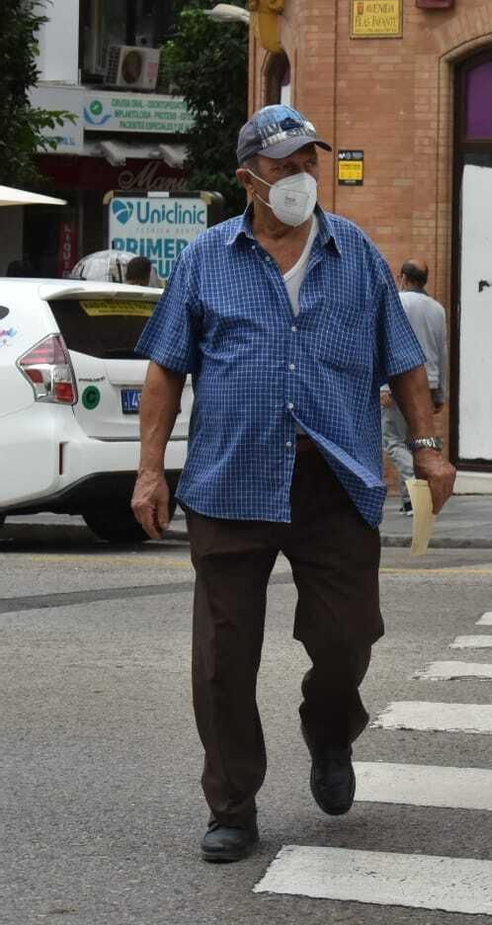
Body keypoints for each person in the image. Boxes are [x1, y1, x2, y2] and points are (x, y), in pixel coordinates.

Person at [130, 104, 458, 865]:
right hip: (229, 477)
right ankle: (233, 804)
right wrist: (151, 469)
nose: (303, 179)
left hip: (333, 477)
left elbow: (403, 361)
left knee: (349, 637)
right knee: (223, 655)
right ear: (249, 178)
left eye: (310, 163)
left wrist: (429, 448)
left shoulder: (360, 256)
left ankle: (330, 729)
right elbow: (165, 371)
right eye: (285, 167)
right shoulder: (207, 258)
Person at [380, 258, 449, 514]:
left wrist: (383, 386)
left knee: (394, 442)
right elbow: (442, 351)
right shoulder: (437, 309)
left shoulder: (397, 303)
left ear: (403, 278)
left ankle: (416, 494)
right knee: (416, 442)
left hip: (400, 383)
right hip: (428, 385)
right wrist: (440, 390)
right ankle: (411, 502)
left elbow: (386, 343)